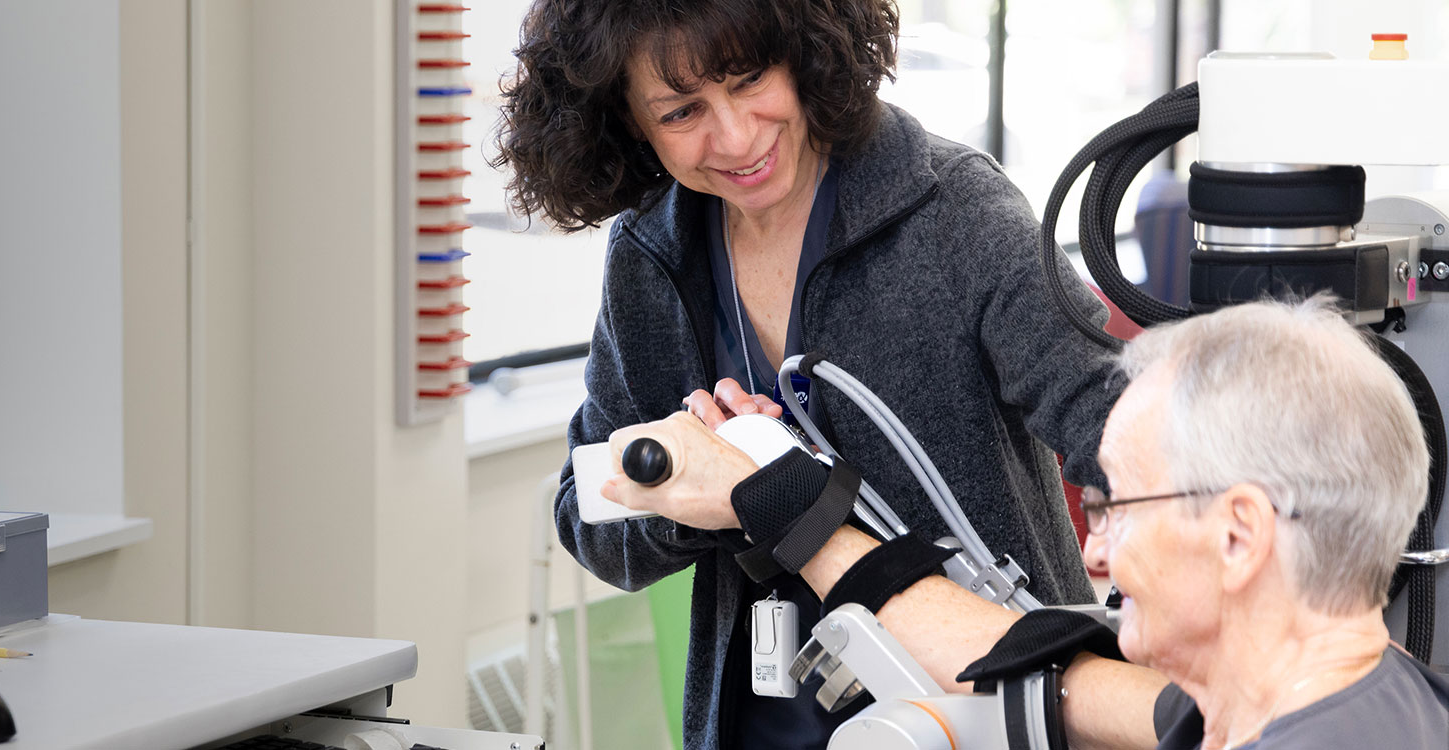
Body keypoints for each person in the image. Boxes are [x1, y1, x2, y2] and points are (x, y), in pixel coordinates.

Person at [494, 0, 1123, 747]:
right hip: (764, 721)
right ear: (628, 121)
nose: (734, 137)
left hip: (982, 705)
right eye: (681, 111)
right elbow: (589, 516)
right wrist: (705, 486)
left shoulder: (955, 209)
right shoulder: (652, 256)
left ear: (803, 50)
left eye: (750, 78)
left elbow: (1119, 431)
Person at [604, 298, 1449, 749]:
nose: (1093, 548)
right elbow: (985, 646)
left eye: (1116, 503)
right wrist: (781, 497)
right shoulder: (1360, 692)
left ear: (1239, 536)